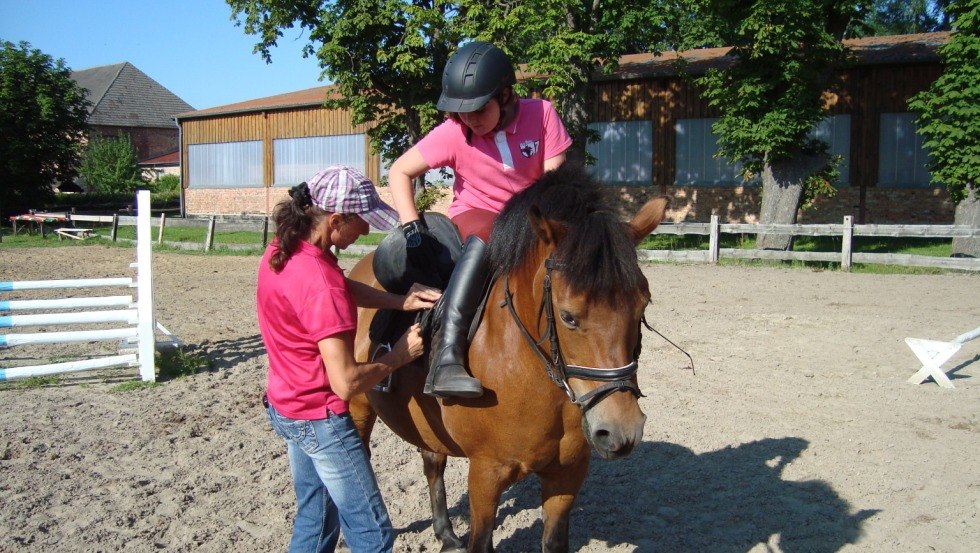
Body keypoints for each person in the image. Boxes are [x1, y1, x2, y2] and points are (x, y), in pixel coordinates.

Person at [256, 165, 440, 553]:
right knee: (373, 534)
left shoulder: (284, 250)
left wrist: (399, 301)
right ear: (336, 220)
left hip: (287, 406)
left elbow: (338, 285)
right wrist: (399, 355)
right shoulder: (319, 283)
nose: (367, 231)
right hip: (321, 420)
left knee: (316, 519)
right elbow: (347, 383)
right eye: (361, 221)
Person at [387, 41, 573, 399]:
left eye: (477, 109)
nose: (469, 119)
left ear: (505, 96)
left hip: (531, 215)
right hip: (477, 215)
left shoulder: (542, 114)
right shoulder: (453, 132)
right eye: (460, 112)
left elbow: (555, 182)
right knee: (490, 229)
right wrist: (412, 228)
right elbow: (399, 171)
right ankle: (447, 358)